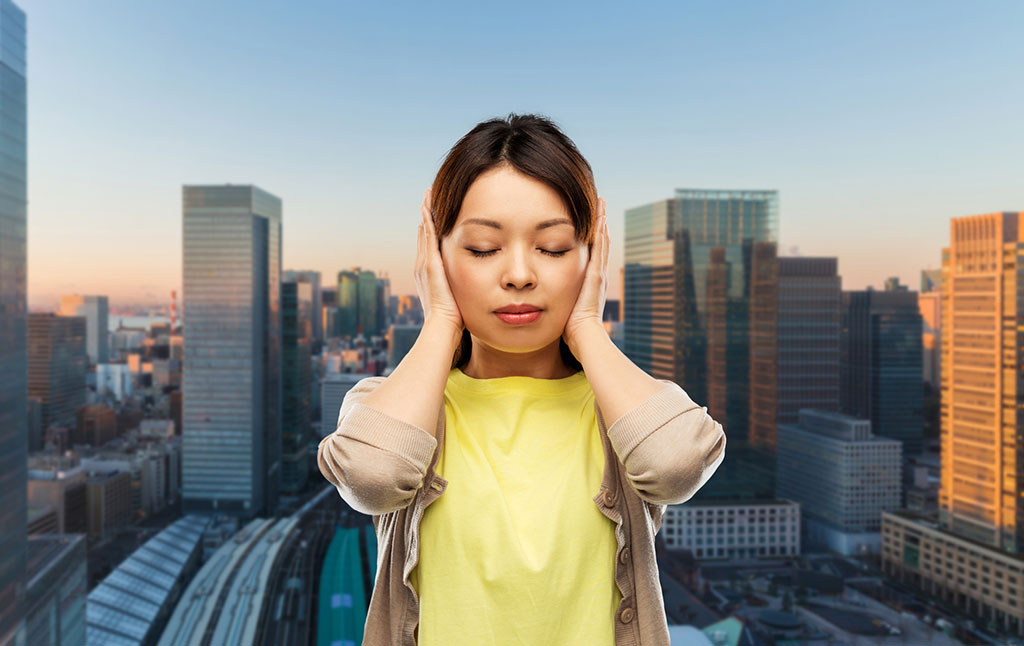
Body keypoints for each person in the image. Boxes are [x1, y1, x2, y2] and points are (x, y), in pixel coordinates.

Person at [317, 113, 727, 645]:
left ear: (592, 257)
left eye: (553, 248)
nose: (518, 274)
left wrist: (585, 326)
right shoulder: (395, 408)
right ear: (435, 257)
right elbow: (372, 475)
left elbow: (676, 465)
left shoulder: (622, 412)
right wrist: (441, 319)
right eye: (483, 248)